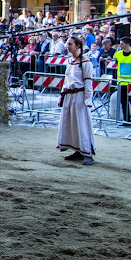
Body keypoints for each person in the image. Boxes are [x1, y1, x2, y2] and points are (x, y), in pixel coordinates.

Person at [57, 36, 96, 165]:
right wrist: (61, 96)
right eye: (67, 44)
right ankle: (77, 150)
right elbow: (66, 79)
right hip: (69, 96)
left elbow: (88, 82)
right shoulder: (69, 61)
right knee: (71, 124)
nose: (68, 46)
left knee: (82, 124)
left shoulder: (85, 62)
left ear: (78, 46)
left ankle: (87, 152)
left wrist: (88, 100)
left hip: (80, 95)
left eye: (70, 44)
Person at [114, 36, 131, 126]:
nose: (120, 45)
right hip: (122, 82)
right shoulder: (118, 55)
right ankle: (126, 119)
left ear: (127, 44)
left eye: (122, 44)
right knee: (123, 102)